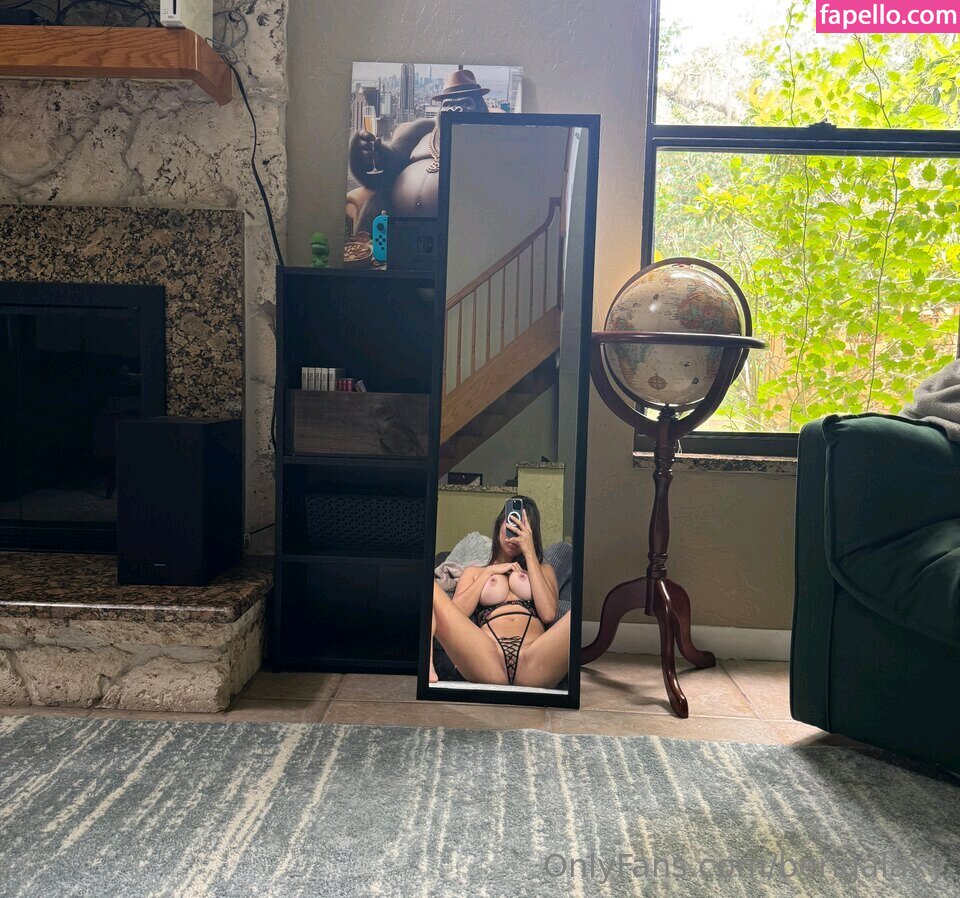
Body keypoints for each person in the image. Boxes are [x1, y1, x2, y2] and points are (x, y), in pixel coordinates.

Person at [430, 496, 570, 688]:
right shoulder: (474, 572)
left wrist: (529, 553)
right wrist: (488, 572)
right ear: (499, 524)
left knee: (578, 611)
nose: (515, 533)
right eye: (512, 523)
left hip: (534, 659)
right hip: (488, 658)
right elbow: (456, 614)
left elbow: (547, 614)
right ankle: (427, 665)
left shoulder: (543, 570)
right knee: (430, 588)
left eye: (522, 528)